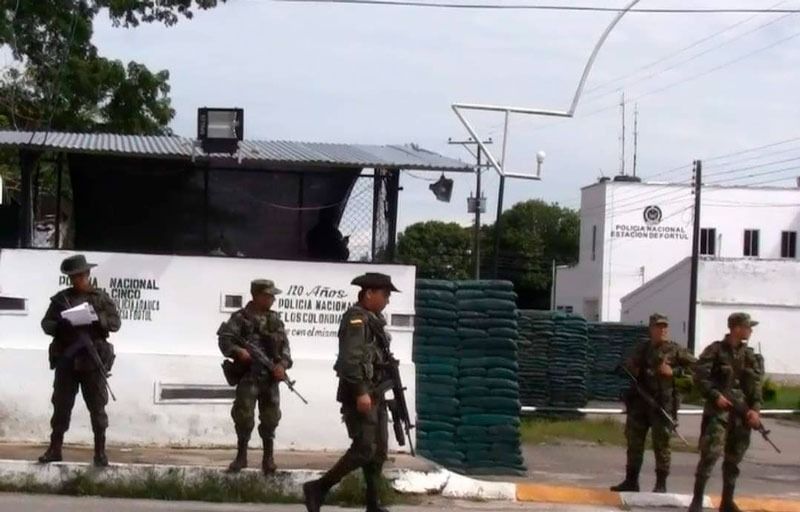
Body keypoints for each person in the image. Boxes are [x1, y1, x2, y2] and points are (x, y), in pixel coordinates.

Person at [303, 272, 400, 512]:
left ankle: (372, 504)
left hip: (375, 392)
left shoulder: (374, 320)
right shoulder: (357, 320)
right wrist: (360, 392)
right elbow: (350, 360)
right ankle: (319, 488)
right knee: (364, 449)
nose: (388, 300)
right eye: (385, 294)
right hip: (360, 393)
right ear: (369, 293)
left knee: (378, 452)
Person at [38, 254, 121, 467]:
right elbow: (46, 323)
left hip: (92, 362)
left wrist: (96, 318)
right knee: (61, 406)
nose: (77, 280)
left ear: (88, 274)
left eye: (80, 276)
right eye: (73, 277)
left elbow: (115, 322)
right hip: (67, 360)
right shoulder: (61, 300)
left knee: (97, 408)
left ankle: (100, 453)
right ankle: (55, 448)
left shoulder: (100, 298)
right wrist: (60, 326)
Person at [611, 313, 696, 493]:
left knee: (661, 444)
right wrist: (632, 368)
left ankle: (661, 484)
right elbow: (627, 365)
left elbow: (697, 370)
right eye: (659, 326)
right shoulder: (643, 348)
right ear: (651, 329)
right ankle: (631, 481)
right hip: (640, 402)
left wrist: (674, 372)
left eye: (665, 326)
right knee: (634, 442)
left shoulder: (676, 350)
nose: (663, 330)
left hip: (662, 404)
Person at [688, 313, 764, 512]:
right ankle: (697, 501)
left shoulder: (749, 356)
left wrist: (755, 411)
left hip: (741, 416)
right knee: (710, 456)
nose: (750, 330)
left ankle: (727, 501)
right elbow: (699, 376)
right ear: (736, 328)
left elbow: (755, 387)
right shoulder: (715, 351)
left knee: (734, 459)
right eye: (748, 326)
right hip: (718, 413)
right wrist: (715, 396)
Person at [218, 279, 292, 475]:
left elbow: (285, 348)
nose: (272, 299)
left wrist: (282, 366)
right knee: (244, 417)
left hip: (270, 378)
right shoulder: (241, 318)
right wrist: (239, 352)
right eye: (268, 295)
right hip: (249, 376)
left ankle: (268, 459)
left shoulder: (275, 320)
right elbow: (225, 340)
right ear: (257, 295)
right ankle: (241, 457)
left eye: (273, 296)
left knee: (270, 419)